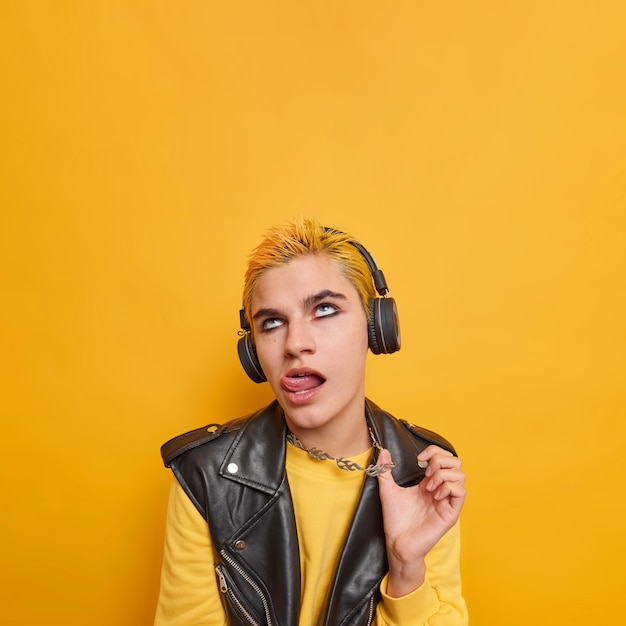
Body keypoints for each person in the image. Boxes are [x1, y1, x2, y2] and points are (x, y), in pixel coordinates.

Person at [154, 218, 468, 625]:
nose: (295, 344)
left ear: (375, 329)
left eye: (324, 309)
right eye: (271, 322)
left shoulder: (422, 470)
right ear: (253, 351)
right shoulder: (207, 476)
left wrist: (407, 568)